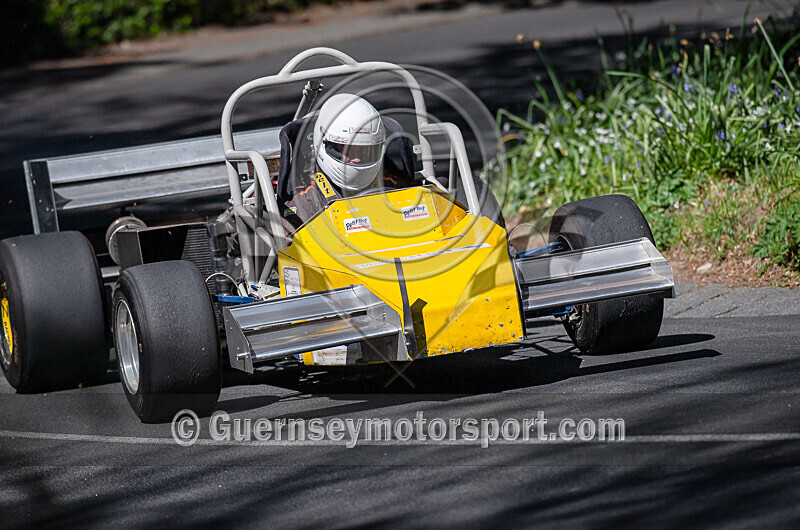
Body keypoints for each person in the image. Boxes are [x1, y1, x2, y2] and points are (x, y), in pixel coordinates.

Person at [280, 93, 412, 229]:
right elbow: (291, 245)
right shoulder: (308, 201)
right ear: (326, 145)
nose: (357, 158)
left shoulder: (393, 184)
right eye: (348, 150)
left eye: (365, 151)